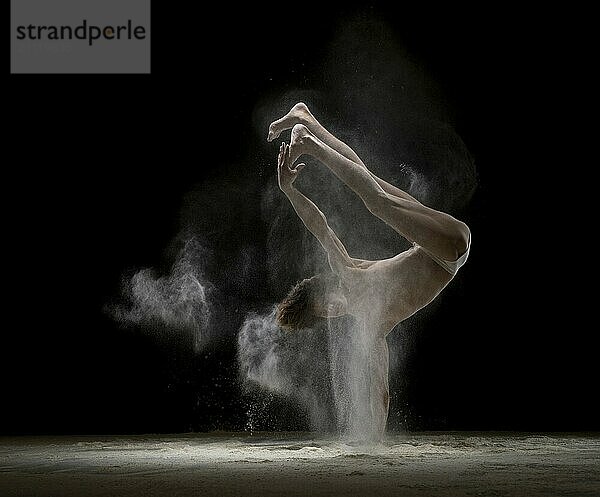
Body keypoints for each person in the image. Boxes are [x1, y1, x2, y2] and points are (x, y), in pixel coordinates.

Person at [269, 103, 471, 438]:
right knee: (372, 189)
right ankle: (308, 125)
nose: (333, 309)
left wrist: (289, 190)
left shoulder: (347, 270)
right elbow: (381, 390)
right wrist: (377, 438)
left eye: (326, 301)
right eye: (328, 315)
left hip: (441, 244)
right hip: (446, 252)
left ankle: (309, 135)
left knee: (375, 196)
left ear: (328, 285)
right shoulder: (373, 326)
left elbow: (319, 227)